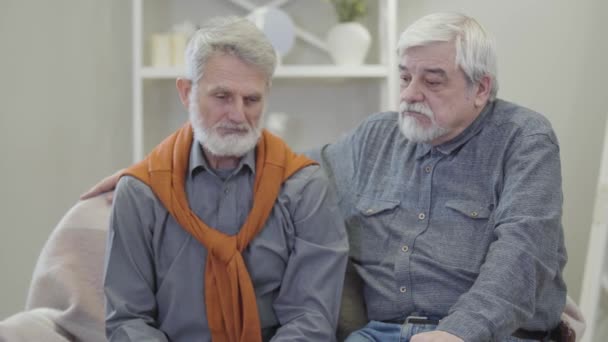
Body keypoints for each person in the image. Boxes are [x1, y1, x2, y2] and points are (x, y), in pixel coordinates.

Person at [84, 12, 571, 342]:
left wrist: (455, 333)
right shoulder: (375, 138)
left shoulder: (523, 140)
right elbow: (276, 164)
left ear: (481, 87)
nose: (409, 93)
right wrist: (158, 171)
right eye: (403, 76)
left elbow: (522, 255)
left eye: (432, 79)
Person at [103, 16, 348, 342]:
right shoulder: (141, 193)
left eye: (252, 99)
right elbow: (128, 320)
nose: (237, 115)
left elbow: (310, 319)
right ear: (186, 92)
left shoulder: (305, 189)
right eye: (222, 96)